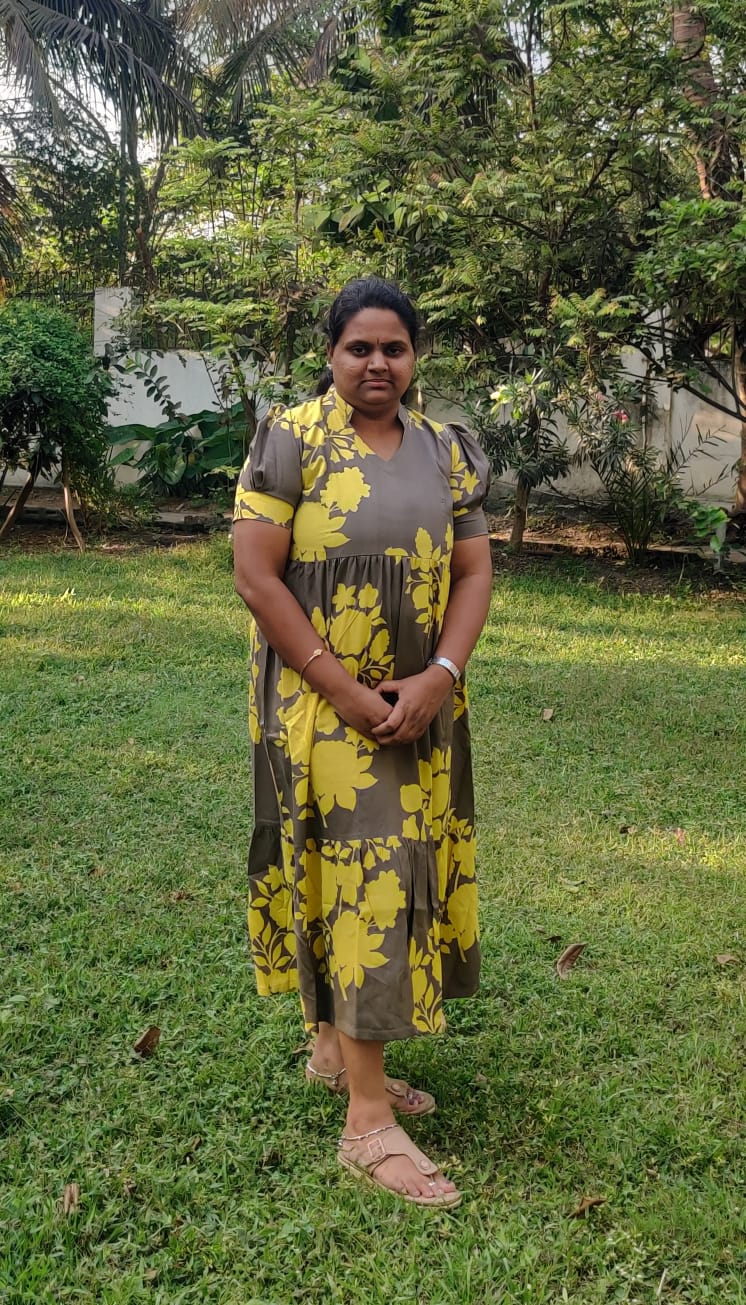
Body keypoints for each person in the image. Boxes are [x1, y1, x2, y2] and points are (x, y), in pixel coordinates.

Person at [233, 276, 493, 1208]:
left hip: (418, 707)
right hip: (320, 705)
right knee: (366, 880)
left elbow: (473, 570)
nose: (377, 364)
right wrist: (342, 689)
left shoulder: (446, 451)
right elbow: (257, 575)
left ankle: (335, 1054)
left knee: (376, 870)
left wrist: (441, 677)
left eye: (394, 348)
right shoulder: (293, 438)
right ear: (332, 355)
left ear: (414, 357)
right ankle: (369, 1124)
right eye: (359, 348)